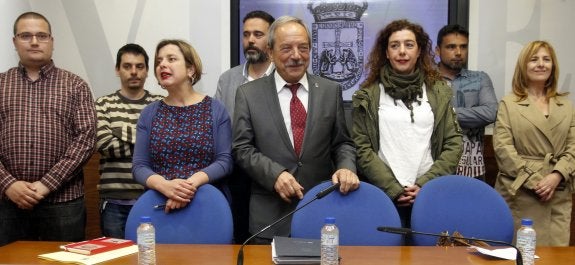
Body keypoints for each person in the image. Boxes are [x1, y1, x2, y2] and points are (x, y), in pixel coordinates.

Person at [232, 16, 360, 244]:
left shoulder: (330, 91)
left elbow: (342, 143)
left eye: (303, 48)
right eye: (286, 48)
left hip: (320, 213)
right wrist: (275, 175)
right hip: (269, 217)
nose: (296, 56)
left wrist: (346, 167)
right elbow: (242, 148)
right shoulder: (249, 94)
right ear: (270, 52)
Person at [352, 19, 462, 228]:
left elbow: (454, 143)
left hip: (430, 195)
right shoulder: (367, 96)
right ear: (386, 52)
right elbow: (362, 148)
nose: (402, 51)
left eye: (409, 45)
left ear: (419, 51)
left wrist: (425, 185)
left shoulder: (438, 92)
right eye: (395, 45)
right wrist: (392, 188)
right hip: (383, 196)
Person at [0, 12, 96, 246]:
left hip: (63, 202)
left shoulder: (75, 85)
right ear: (14, 42)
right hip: (7, 201)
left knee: (64, 262)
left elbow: (86, 139)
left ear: (51, 41)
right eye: (26, 36)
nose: (34, 41)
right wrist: (8, 184)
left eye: (41, 36)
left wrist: (46, 184)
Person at [132, 39, 232, 213]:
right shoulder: (149, 113)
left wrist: (187, 187)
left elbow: (225, 161)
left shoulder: (216, 109)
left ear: (190, 69)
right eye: (159, 61)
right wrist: (164, 186)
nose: (162, 65)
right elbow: (139, 166)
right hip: (160, 204)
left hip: (207, 204)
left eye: (171, 59)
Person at [493, 40, 574, 246]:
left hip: (557, 192)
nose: (541, 64)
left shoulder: (566, 106)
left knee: (556, 257)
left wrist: (556, 176)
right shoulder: (509, 104)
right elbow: (503, 149)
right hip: (521, 192)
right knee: (522, 255)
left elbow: (573, 148)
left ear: (553, 66)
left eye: (546, 59)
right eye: (534, 59)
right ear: (523, 66)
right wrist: (536, 181)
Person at [215, 10, 275, 243]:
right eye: (246, 34)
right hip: (236, 174)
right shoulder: (228, 79)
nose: (250, 40)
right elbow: (218, 126)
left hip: (273, 170)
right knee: (239, 237)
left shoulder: (283, 77)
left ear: (271, 40)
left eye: (258, 34)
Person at [95, 43, 163, 238]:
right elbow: (105, 145)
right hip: (113, 202)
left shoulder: (160, 104)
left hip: (151, 198)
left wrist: (120, 132)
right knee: (115, 258)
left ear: (147, 70)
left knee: (152, 257)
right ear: (118, 70)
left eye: (139, 66)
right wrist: (147, 138)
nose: (134, 72)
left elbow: (162, 145)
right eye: (127, 66)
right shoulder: (103, 104)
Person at [436, 24, 498, 180]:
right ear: (438, 50)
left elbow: (491, 112)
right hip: (436, 166)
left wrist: (447, 113)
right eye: (451, 47)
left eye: (463, 47)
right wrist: (473, 115)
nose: (458, 52)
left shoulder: (480, 78)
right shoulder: (427, 80)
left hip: (473, 167)